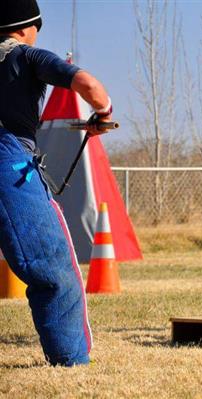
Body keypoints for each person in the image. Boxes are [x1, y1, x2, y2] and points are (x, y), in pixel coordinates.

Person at [0, 0, 113, 366]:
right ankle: (69, 359)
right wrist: (103, 112)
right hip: (7, 159)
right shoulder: (28, 56)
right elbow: (89, 85)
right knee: (51, 268)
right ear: (25, 27)